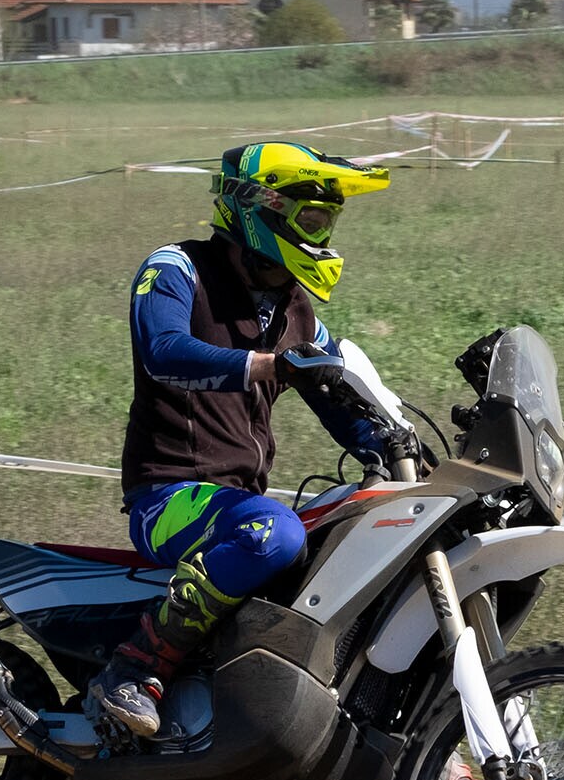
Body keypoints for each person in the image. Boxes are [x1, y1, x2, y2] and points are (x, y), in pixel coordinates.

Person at [85, 141, 393, 739]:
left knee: (363, 543)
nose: (322, 235)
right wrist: (268, 366)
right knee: (276, 533)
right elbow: (163, 353)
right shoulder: (176, 269)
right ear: (262, 209)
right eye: (311, 218)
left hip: (237, 503)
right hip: (166, 499)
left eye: (328, 221)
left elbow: (345, 399)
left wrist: (401, 450)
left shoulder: (298, 314)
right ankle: (136, 666)